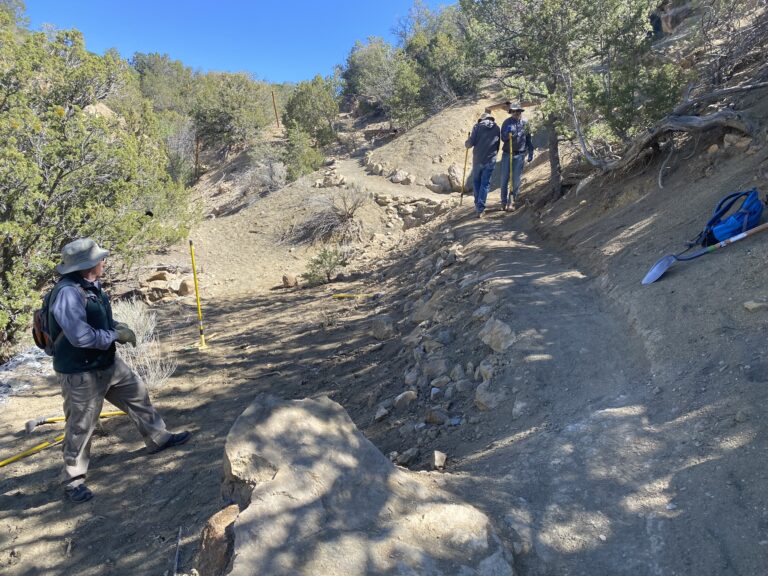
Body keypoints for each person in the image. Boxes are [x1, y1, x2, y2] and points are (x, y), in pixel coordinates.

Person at [48, 238, 191, 503]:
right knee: (81, 426)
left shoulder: (90, 285)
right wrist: (115, 335)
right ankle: (72, 481)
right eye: (100, 258)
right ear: (88, 264)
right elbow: (80, 337)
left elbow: (96, 318)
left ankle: (158, 438)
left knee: (137, 394)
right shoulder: (68, 293)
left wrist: (116, 325)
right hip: (80, 372)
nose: (104, 261)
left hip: (106, 363)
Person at [465, 112, 500, 218]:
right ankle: (480, 209)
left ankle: (477, 205)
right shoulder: (496, 128)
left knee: (477, 182)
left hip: (478, 160)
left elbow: (470, 144)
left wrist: (467, 142)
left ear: (482, 119)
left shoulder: (477, 127)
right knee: (485, 183)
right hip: (490, 159)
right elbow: (497, 145)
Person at [499, 103, 534, 211]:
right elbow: (503, 138)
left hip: (520, 154)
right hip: (507, 154)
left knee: (516, 180)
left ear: (520, 112)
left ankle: (512, 202)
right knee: (504, 179)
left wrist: (531, 151)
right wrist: (508, 133)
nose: (515, 113)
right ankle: (503, 202)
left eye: (518, 111)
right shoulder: (507, 122)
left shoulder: (525, 123)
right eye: (513, 111)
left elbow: (528, 138)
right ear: (511, 112)